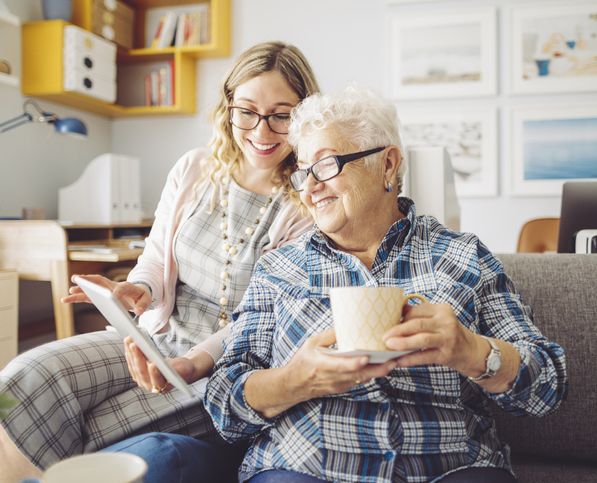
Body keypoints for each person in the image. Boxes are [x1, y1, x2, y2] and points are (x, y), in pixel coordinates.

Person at [0, 41, 320, 483]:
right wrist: (136, 290)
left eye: (281, 114)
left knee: (92, 430)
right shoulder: (195, 169)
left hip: (224, 367)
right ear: (229, 108)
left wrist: (196, 360)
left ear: (305, 117)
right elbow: (156, 259)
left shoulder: (306, 201)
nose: (261, 130)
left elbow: (267, 313)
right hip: (158, 336)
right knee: (20, 382)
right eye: (248, 111)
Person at [203, 84, 568, 483]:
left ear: (388, 165)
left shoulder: (463, 256)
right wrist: (294, 381)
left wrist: (472, 351)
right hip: (306, 469)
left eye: (325, 166)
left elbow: (547, 386)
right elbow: (223, 404)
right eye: (302, 172)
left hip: (448, 469)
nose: (308, 188)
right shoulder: (278, 269)